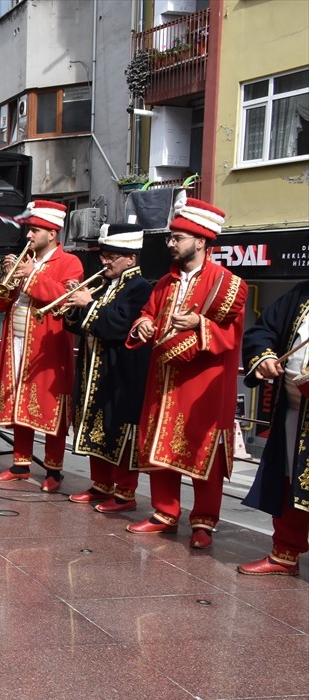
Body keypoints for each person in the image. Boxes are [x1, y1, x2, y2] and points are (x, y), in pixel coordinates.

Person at [124, 198, 246, 549]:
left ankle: (204, 521)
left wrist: (199, 323)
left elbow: (233, 336)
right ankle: (165, 512)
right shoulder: (165, 281)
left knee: (201, 450)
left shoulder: (229, 284)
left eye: (178, 237)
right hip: (163, 378)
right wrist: (144, 325)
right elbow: (147, 313)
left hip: (202, 381)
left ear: (201, 241)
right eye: (171, 237)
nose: (171, 243)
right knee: (160, 442)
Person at [0, 199, 83, 493]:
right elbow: (1, 302)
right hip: (16, 340)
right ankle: (20, 464)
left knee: (50, 406)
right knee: (19, 399)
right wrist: (8, 277)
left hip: (48, 347)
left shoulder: (70, 263)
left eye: (34, 231)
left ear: (52, 233)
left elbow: (64, 300)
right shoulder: (24, 259)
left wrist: (31, 275)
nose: (28, 236)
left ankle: (54, 470)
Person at [61, 223, 153, 512]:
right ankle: (100, 485)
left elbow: (118, 325)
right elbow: (78, 326)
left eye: (112, 256)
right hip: (92, 369)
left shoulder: (140, 287)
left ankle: (125, 493)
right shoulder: (103, 284)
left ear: (131, 258)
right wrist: (74, 304)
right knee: (93, 425)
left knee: (120, 431)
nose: (104, 261)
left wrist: (88, 304)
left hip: (122, 372)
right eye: (103, 254)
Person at [237, 281, 309, 575]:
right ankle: (285, 553)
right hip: (295, 410)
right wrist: (264, 356)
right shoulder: (301, 294)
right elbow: (262, 329)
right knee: (291, 481)